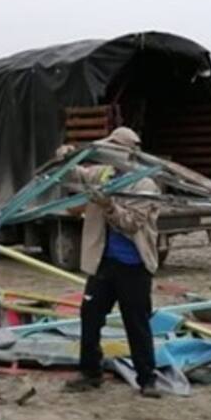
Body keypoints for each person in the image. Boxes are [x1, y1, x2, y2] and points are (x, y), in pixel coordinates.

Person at [63, 127, 163, 399]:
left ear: (127, 152)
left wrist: (108, 205)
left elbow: (131, 224)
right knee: (90, 316)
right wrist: (66, 159)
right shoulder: (104, 173)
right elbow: (78, 176)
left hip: (133, 265)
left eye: (113, 147)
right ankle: (90, 372)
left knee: (137, 322)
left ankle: (147, 378)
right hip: (102, 262)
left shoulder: (145, 185)